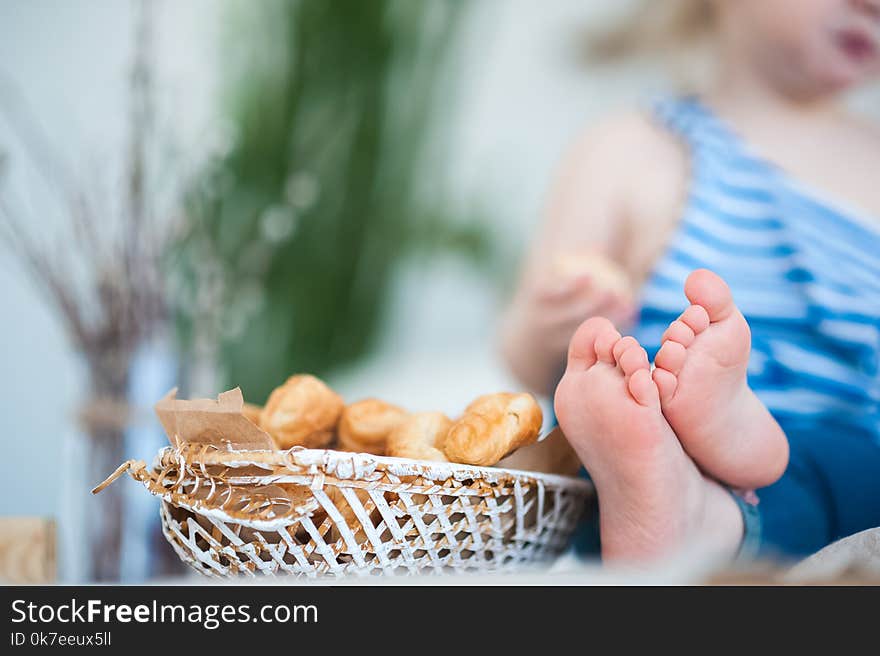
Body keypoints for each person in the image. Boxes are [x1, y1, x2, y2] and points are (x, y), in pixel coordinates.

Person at [500, 0, 880, 563]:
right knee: (605, 395)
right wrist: (546, 323)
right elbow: (530, 363)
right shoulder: (632, 150)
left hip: (839, 452)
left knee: (859, 467)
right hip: (657, 431)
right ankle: (677, 485)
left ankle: (706, 511)